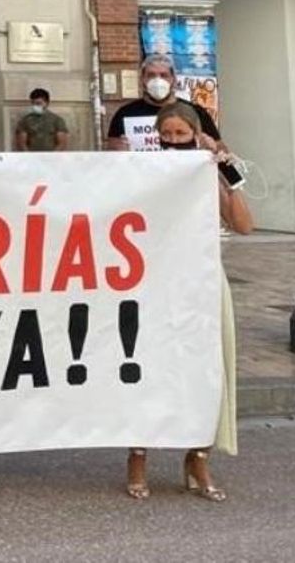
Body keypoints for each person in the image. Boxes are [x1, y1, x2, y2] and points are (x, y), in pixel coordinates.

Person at [126, 102, 251, 504]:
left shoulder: (208, 171)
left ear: (197, 135)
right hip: (156, 283)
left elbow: (244, 224)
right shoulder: (144, 171)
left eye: (181, 134)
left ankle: (198, 458)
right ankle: (138, 456)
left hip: (203, 282)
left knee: (209, 368)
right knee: (150, 368)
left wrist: (225, 172)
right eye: (167, 134)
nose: (174, 141)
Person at [106, 53, 222, 150]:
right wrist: (116, 151)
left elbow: (223, 152)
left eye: (164, 75)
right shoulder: (125, 113)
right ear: (142, 80)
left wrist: (213, 148)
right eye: (151, 75)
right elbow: (110, 153)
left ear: (174, 80)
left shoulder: (196, 112)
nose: (158, 80)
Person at [14, 88, 70, 152]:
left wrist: (52, 156)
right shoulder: (25, 121)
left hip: (52, 156)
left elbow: (62, 143)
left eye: (38, 103)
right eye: (33, 103)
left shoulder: (57, 120)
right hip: (31, 156)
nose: (36, 106)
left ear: (47, 103)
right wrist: (29, 156)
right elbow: (22, 144)